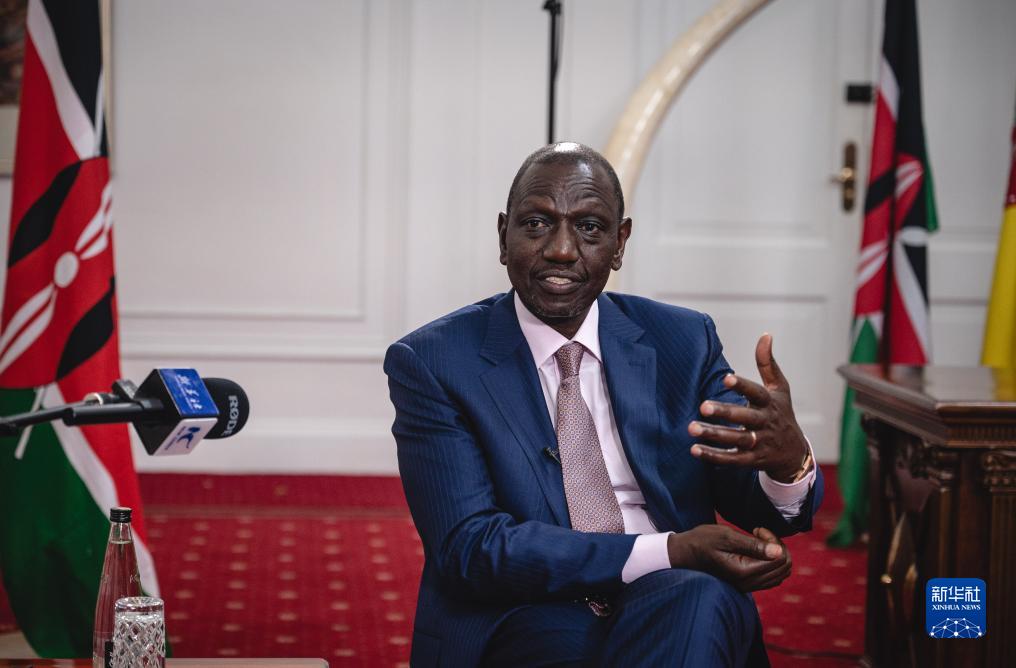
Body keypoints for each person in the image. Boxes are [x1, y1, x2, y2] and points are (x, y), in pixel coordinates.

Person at [384, 142, 823, 667]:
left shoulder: (683, 340)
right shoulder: (435, 361)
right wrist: (668, 550)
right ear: (503, 236)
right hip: (523, 608)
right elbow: (471, 548)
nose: (561, 250)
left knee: (700, 599)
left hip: (672, 594)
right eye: (537, 224)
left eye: (590, 228)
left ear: (620, 244)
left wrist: (787, 465)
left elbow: (752, 503)